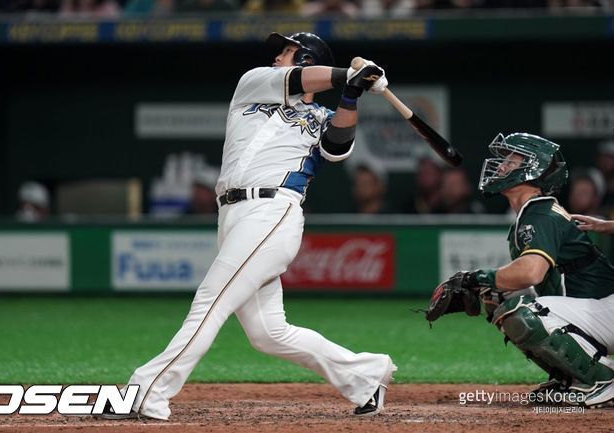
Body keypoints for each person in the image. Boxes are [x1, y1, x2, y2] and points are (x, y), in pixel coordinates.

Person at [102, 32, 396, 421]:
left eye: (287, 50)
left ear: (306, 58)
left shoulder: (321, 117)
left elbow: (337, 148)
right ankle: (365, 375)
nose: (277, 55)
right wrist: (350, 74)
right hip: (232, 214)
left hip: (272, 212)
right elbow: (298, 80)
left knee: (211, 301)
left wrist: (352, 92)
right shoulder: (253, 84)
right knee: (268, 334)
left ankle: (146, 393)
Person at [436, 132, 614, 408]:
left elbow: (532, 272)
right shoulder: (534, 213)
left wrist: (476, 277)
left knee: (523, 311)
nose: (502, 166)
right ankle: (571, 376)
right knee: (498, 299)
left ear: (532, 170)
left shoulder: (540, 214)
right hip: (597, 310)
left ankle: (601, 379)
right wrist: (485, 286)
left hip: (606, 309)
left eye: (512, 160)